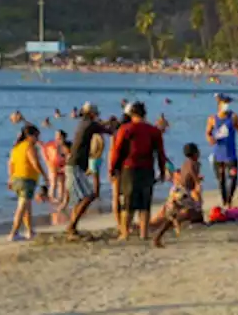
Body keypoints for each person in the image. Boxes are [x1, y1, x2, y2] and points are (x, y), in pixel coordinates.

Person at [110, 101, 168, 240]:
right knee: (145, 203)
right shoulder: (154, 131)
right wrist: (162, 170)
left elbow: (117, 151)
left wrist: (113, 168)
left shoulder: (126, 129)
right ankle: (144, 233)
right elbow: (160, 153)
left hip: (130, 168)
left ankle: (125, 233)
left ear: (131, 114)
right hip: (147, 168)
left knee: (129, 203)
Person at [66, 103, 108, 236]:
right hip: (75, 165)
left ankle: (73, 226)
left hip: (75, 165)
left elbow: (102, 127)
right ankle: (71, 225)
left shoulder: (84, 123)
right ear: (91, 114)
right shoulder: (90, 124)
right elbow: (108, 130)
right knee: (89, 196)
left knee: (80, 199)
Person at [152, 143, 205, 248]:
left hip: (176, 190)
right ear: (196, 153)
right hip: (184, 192)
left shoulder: (185, 162)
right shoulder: (195, 163)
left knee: (171, 215)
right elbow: (193, 178)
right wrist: (197, 182)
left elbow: (185, 175)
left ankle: (158, 237)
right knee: (195, 209)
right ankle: (179, 220)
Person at [205, 95, 238, 209]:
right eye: (224, 103)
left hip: (231, 154)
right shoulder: (212, 119)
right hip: (218, 155)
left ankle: (229, 201)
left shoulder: (233, 117)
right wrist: (210, 139)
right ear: (219, 105)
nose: (227, 106)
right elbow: (208, 133)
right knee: (221, 180)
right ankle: (225, 202)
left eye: (228, 103)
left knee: (233, 178)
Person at [7, 125, 47, 242]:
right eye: (36, 136)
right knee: (22, 206)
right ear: (30, 136)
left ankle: (30, 231)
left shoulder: (16, 147)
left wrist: (10, 179)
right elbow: (35, 163)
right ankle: (13, 233)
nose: (37, 139)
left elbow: (11, 164)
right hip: (26, 179)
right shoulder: (29, 147)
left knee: (27, 205)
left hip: (16, 178)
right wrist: (45, 175)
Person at [42, 130, 69, 210]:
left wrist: (65, 165)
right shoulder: (51, 144)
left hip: (62, 165)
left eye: (60, 136)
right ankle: (52, 198)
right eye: (57, 136)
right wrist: (47, 162)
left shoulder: (66, 145)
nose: (58, 138)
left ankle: (60, 199)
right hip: (53, 165)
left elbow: (68, 155)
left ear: (64, 137)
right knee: (53, 182)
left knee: (62, 183)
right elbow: (44, 150)